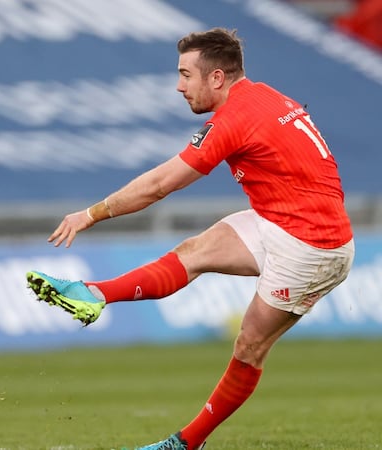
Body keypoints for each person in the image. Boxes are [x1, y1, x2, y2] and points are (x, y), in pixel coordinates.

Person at [26, 28, 354, 450]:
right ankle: (94, 293)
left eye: (185, 75)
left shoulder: (234, 118)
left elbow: (161, 184)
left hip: (312, 246)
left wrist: (91, 214)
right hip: (283, 220)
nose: (179, 86)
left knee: (249, 346)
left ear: (217, 78)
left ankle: (186, 444)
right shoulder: (262, 96)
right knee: (194, 251)